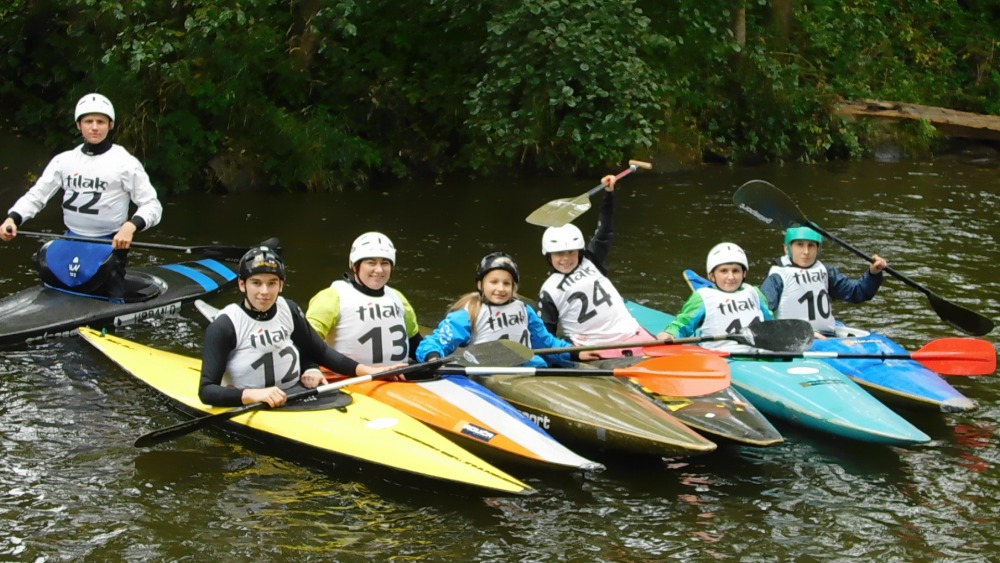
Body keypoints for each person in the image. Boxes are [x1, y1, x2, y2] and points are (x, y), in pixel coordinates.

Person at [1, 93, 163, 300]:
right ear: (79, 125)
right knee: (48, 272)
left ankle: (115, 305)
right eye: (88, 121)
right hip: (71, 238)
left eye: (100, 121)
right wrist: (13, 218)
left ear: (110, 125)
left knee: (106, 289)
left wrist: (130, 227)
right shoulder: (64, 161)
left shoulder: (125, 163)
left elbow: (152, 205)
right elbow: (37, 195)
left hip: (110, 244)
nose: (94, 127)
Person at [199, 246, 397, 408]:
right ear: (242, 285)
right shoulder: (224, 325)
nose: (265, 292)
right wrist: (252, 395)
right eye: (256, 283)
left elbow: (319, 351)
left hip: (294, 393)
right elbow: (207, 390)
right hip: (252, 399)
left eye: (272, 283)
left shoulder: (289, 309)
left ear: (281, 285)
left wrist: (371, 371)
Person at [537, 174, 653, 357]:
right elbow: (546, 336)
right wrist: (574, 355)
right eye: (559, 254)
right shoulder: (549, 291)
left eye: (571, 252)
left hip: (632, 334)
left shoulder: (590, 260)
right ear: (548, 255)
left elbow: (605, 230)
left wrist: (609, 194)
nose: (566, 259)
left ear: (579, 251)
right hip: (596, 349)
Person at [416, 252, 599, 368]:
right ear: (480, 284)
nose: (501, 289)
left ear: (514, 287)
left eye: (507, 283)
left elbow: (547, 343)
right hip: (490, 375)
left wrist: (577, 352)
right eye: (493, 282)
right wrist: (433, 358)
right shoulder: (468, 313)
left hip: (531, 370)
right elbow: (434, 343)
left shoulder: (525, 310)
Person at [305, 231, 422, 365]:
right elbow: (308, 344)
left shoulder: (398, 297)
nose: (379, 270)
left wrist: (431, 357)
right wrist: (311, 368)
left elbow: (415, 343)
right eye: (371, 263)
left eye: (385, 263)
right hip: (349, 379)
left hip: (398, 377)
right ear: (355, 266)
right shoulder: (331, 296)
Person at [760, 225, 887, 337]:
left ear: (818, 249)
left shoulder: (827, 272)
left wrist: (873, 273)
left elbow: (858, 292)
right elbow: (763, 314)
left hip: (827, 337)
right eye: (800, 245)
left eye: (811, 245)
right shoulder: (777, 277)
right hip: (793, 340)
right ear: (787, 249)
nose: (806, 252)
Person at [655, 243, 774, 352]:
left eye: (736, 271)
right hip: (719, 355)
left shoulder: (754, 293)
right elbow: (682, 325)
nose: (731, 277)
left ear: (744, 274)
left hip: (758, 353)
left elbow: (770, 324)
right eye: (724, 271)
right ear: (712, 276)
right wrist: (670, 334)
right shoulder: (702, 297)